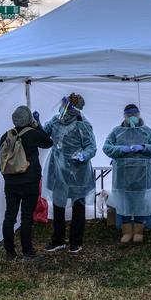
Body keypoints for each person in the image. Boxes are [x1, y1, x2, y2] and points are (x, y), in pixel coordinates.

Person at [42, 93, 97, 253]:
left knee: (78, 205)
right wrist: (37, 124)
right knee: (58, 205)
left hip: (77, 171)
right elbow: (45, 134)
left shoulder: (82, 124)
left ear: (76, 109)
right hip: (58, 169)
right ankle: (58, 240)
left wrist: (83, 155)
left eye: (69, 106)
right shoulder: (56, 120)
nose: (65, 109)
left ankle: (76, 241)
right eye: (65, 105)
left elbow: (91, 147)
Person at [0, 106, 53, 261]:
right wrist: (36, 125)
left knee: (9, 217)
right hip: (30, 183)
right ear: (28, 119)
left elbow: (0, 161)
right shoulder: (33, 134)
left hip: (11, 184)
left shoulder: (6, 136)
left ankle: (10, 253)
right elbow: (48, 142)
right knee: (27, 217)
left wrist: (8, 178)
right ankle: (28, 252)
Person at [103, 104, 151, 244]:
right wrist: (120, 149)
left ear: (139, 115)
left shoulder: (147, 131)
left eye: (134, 115)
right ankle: (127, 231)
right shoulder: (117, 132)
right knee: (124, 203)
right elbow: (106, 147)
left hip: (142, 175)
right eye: (129, 115)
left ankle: (138, 231)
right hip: (122, 176)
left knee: (139, 203)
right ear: (124, 116)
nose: (132, 118)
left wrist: (144, 147)